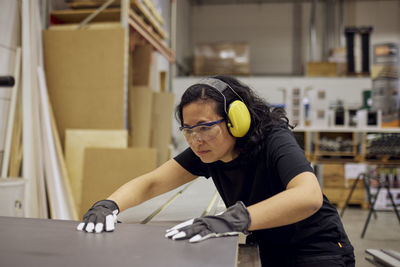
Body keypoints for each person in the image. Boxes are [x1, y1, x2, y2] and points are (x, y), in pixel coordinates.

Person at [77, 75, 355, 266]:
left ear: (237, 120)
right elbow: (152, 183)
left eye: (205, 127)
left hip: (317, 250)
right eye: (188, 130)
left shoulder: (274, 140)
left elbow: (308, 196)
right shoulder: (208, 151)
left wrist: (228, 220)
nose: (196, 139)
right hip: (267, 248)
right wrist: (109, 204)